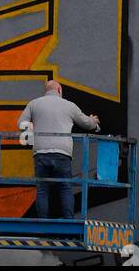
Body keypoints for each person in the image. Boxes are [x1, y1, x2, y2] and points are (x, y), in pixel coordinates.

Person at [18, 81, 100, 220]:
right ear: (59, 89)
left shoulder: (34, 104)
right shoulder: (69, 105)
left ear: (46, 90)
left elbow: (22, 124)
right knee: (65, 188)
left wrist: (33, 135)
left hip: (41, 153)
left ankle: (43, 224)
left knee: (42, 190)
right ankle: (68, 222)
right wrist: (93, 121)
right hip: (62, 154)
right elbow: (86, 123)